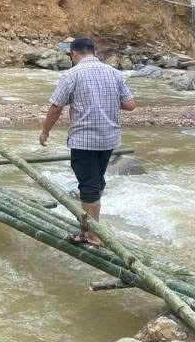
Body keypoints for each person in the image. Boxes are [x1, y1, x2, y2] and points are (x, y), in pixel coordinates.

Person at [39, 38, 137, 248]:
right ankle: (91, 227)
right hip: (109, 139)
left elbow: (56, 107)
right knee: (95, 182)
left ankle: (93, 235)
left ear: (74, 54)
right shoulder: (114, 73)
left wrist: (45, 131)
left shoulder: (71, 75)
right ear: (94, 52)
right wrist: (105, 101)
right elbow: (130, 105)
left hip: (84, 140)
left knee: (88, 187)